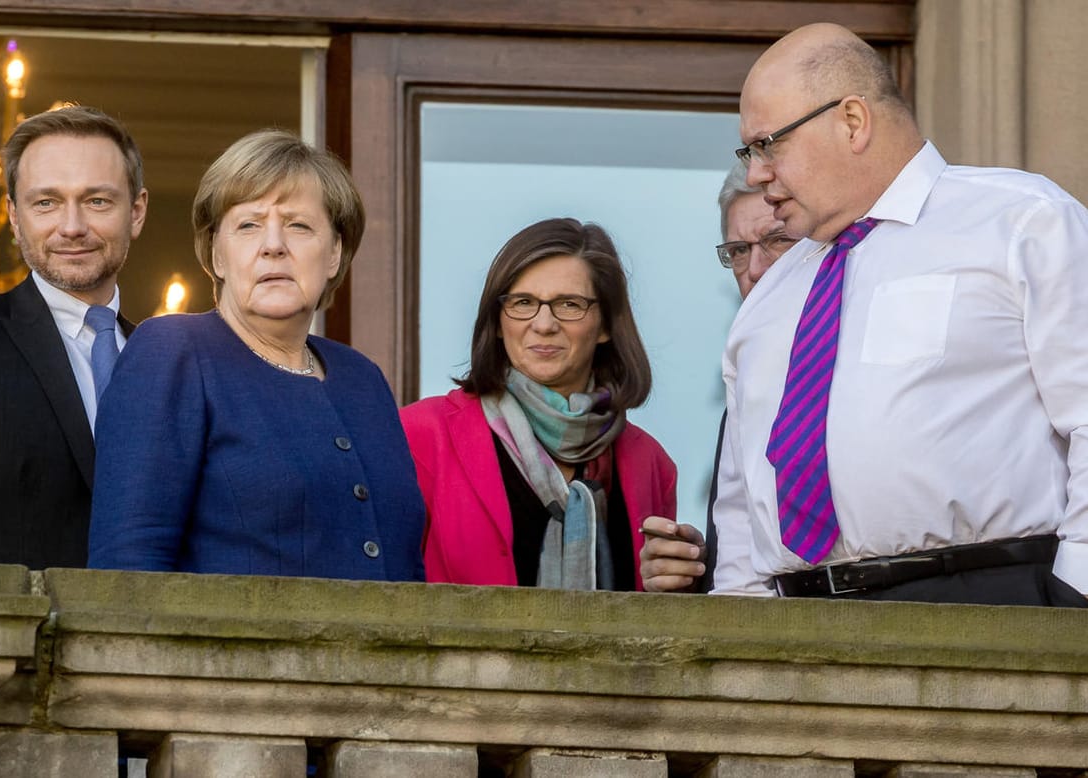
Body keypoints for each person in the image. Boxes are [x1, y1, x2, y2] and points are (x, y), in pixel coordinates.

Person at [686, 22, 1088, 605]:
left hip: (990, 603)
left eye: (768, 145)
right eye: (749, 153)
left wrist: (1076, 602)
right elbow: (743, 504)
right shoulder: (769, 299)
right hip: (796, 628)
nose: (757, 175)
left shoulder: (1023, 222)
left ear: (852, 121)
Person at [87, 129, 425, 580]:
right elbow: (126, 566)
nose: (273, 244)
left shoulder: (363, 378)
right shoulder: (172, 351)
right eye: (248, 225)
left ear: (334, 253)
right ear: (217, 255)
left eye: (299, 225)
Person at [0, 105, 148, 569]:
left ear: (137, 212)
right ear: (15, 216)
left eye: (97, 201)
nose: (71, 227)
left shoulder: (168, 361)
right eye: (46, 202)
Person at [400, 217, 680, 590]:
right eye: (523, 302)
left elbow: (653, 613)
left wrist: (681, 582)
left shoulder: (650, 464)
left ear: (606, 325)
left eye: (569, 304)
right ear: (498, 321)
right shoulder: (421, 437)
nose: (543, 323)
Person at [642, 165, 796, 593]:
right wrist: (691, 569)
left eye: (778, 241)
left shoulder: (862, 359)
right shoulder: (746, 378)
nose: (756, 269)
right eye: (739, 251)